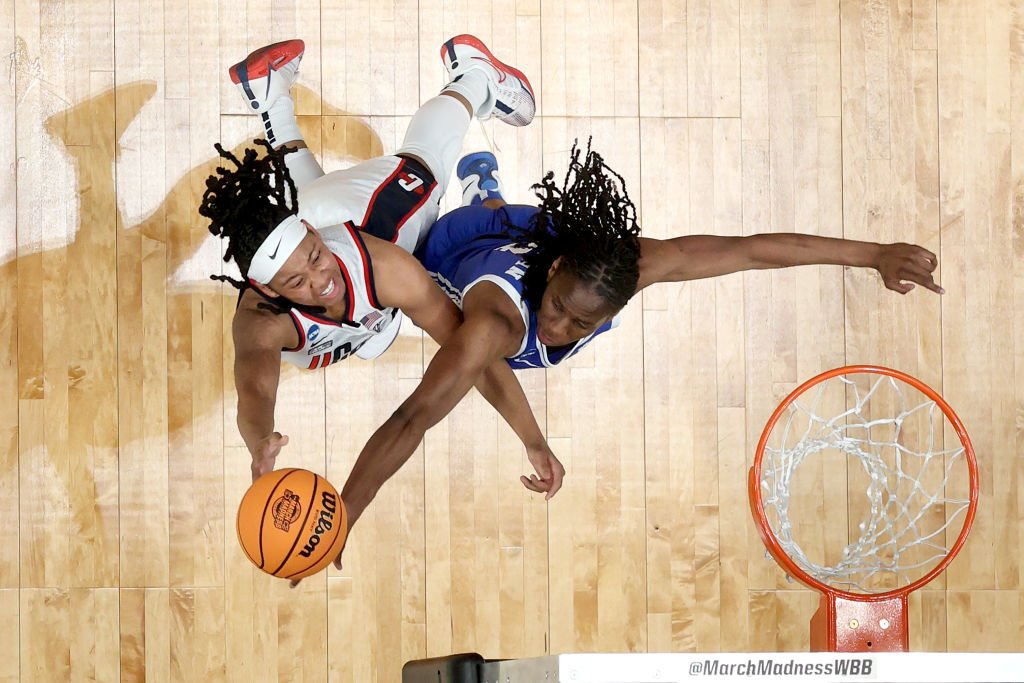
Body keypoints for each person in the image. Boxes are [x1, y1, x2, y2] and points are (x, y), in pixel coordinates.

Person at [315, 140, 944, 575]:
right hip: (456, 252)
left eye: (579, 321)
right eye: (557, 307)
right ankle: (480, 190)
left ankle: (492, 191)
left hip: (537, 245)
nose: (557, 326)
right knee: (402, 313)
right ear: (553, 272)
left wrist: (873, 254)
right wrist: (347, 511)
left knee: (502, 305)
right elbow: (414, 417)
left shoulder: (631, 267)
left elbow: (750, 250)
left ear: (617, 304)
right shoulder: (496, 323)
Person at [199, 36, 555, 483]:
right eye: (296, 283)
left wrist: (532, 440)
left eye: (314, 257)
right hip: (316, 215)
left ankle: (473, 76)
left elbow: (471, 351)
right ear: (266, 291)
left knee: (426, 163)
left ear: (311, 233)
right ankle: (271, 94)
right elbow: (253, 385)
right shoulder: (263, 320)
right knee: (315, 214)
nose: (320, 281)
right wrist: (260, 441)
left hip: (365, 214)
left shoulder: (388, 268)